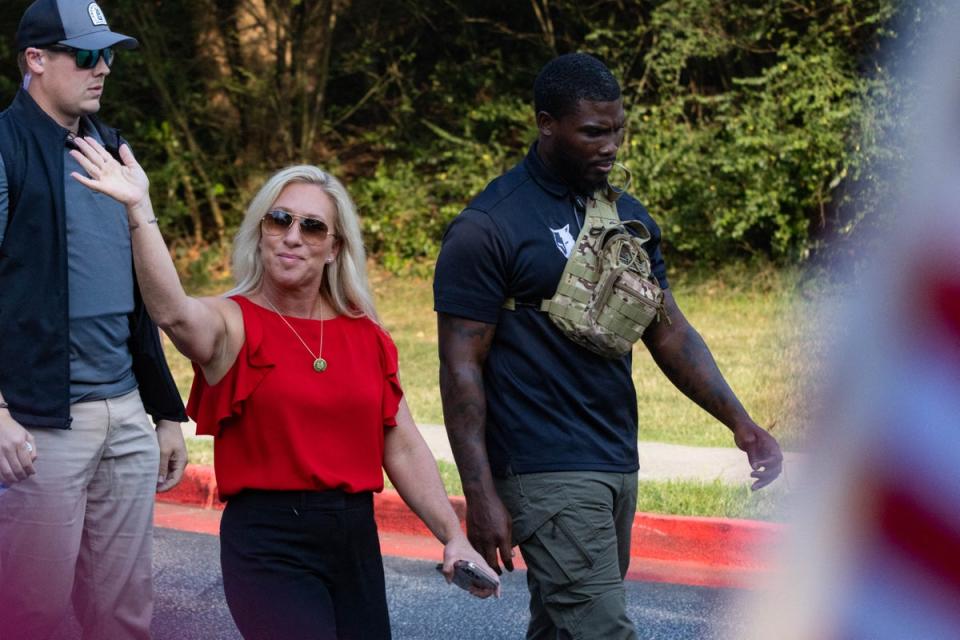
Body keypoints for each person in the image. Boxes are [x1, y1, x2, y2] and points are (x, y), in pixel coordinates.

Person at [68, 133, 501, 638]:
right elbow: (172, 313)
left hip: (354, 542)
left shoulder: (366, 335)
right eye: (280, 220)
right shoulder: (233, 323)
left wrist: (453, 537)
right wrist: (139, 209)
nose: (293, 235)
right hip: (268, 543)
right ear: (262, 232)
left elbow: (401, 445)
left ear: (335, 248)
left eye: (313, 227)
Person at [433, 52, 784, 640]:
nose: (611, 145)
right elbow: (460, 368)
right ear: (547, 123)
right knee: (602, 629)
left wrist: (739, 421)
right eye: (594, 131)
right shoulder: (489, 225)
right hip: (541, 464)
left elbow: (667, 328)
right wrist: (480, 493)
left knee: (563, 628)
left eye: (617, 129)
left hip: (615, 454)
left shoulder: (626, 216)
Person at [0, 2, 188, 639]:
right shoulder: (4, 147)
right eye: (85, 54)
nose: (102, 67)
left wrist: (162, 411)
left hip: (126, 413)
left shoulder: (109, 148)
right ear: (36, 60)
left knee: (125, 614)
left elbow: (137, 298)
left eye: (106, 53)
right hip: (42, 422)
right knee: (33, 614)